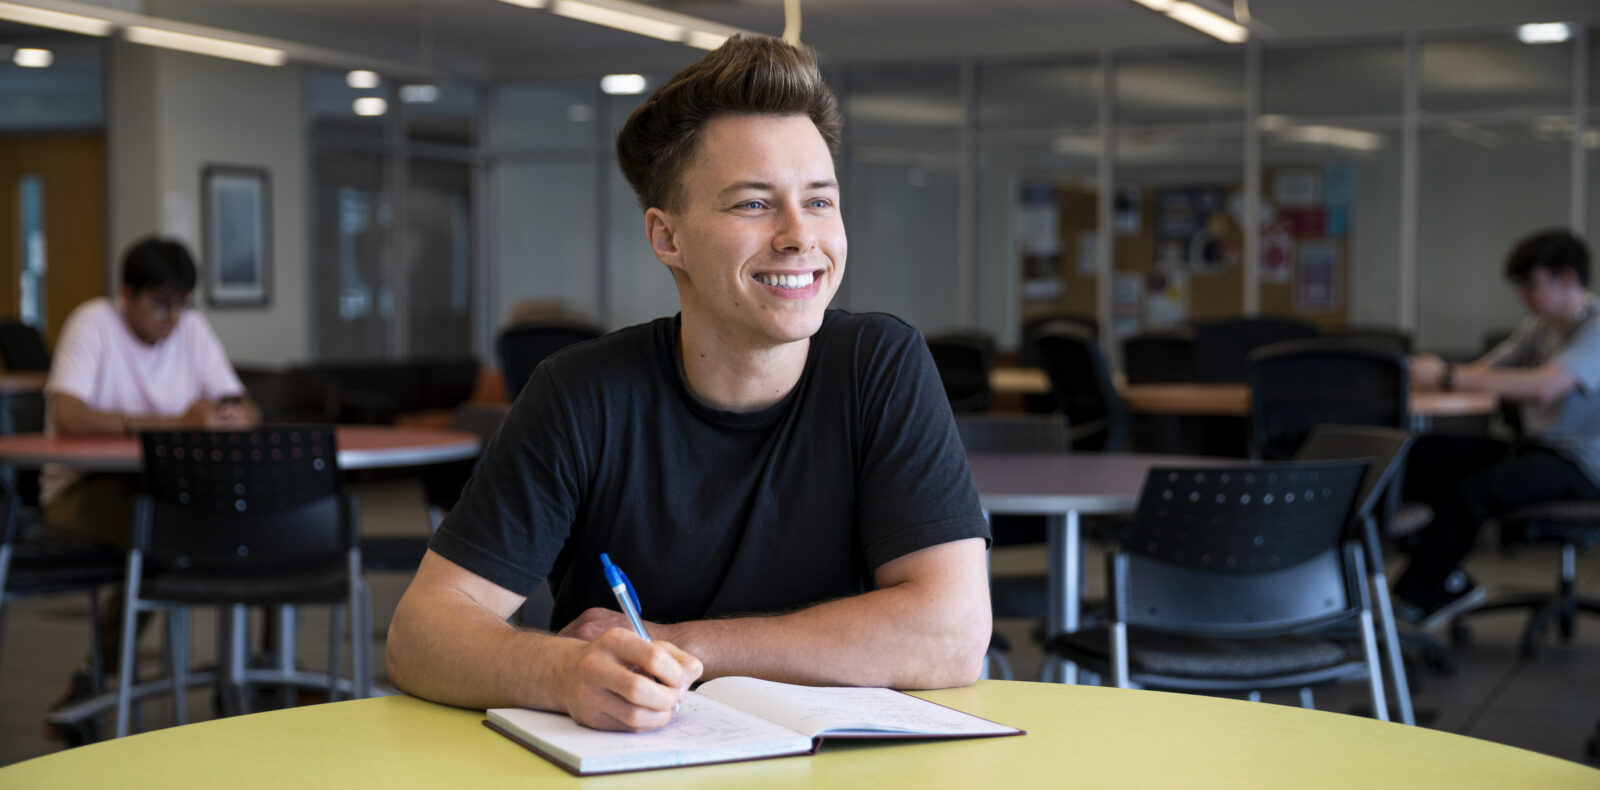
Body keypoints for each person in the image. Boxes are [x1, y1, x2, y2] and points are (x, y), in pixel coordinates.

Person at [386, 35, 992, 732]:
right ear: (666, 237)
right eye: (754, 205)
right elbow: (420, 633)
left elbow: (951, 635)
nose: (801, 236)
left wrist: (683, 644)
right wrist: (562, 671)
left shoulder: (879, 365)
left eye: (820, 201)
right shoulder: (581, 393)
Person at [42, 235, 260, 730]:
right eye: (160, 305)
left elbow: (246, 405)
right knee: (165, 532)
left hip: (168, 487)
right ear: (126, 295)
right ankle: (97, 676)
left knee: (256, 520)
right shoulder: (92, 323)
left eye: (181, 306)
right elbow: (69, 415)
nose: (173, 319)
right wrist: (176, 423)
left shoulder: (191, 330)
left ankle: (256, 670)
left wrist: (231, 415)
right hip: (80, 487)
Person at [1395, 229, 1600, 632]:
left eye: (1531, 284)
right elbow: (1486, 372)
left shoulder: (1596, 327)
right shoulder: (1541, 326)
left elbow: (1547, 385)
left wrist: (1449, 377)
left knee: (1474, 492)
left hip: (1584, 465)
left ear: (1567, 278)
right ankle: (1446, 580)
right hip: (1537, 448)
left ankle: (1413, 596)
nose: (1522, 294)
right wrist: (1434, 374)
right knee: (1416, 456)